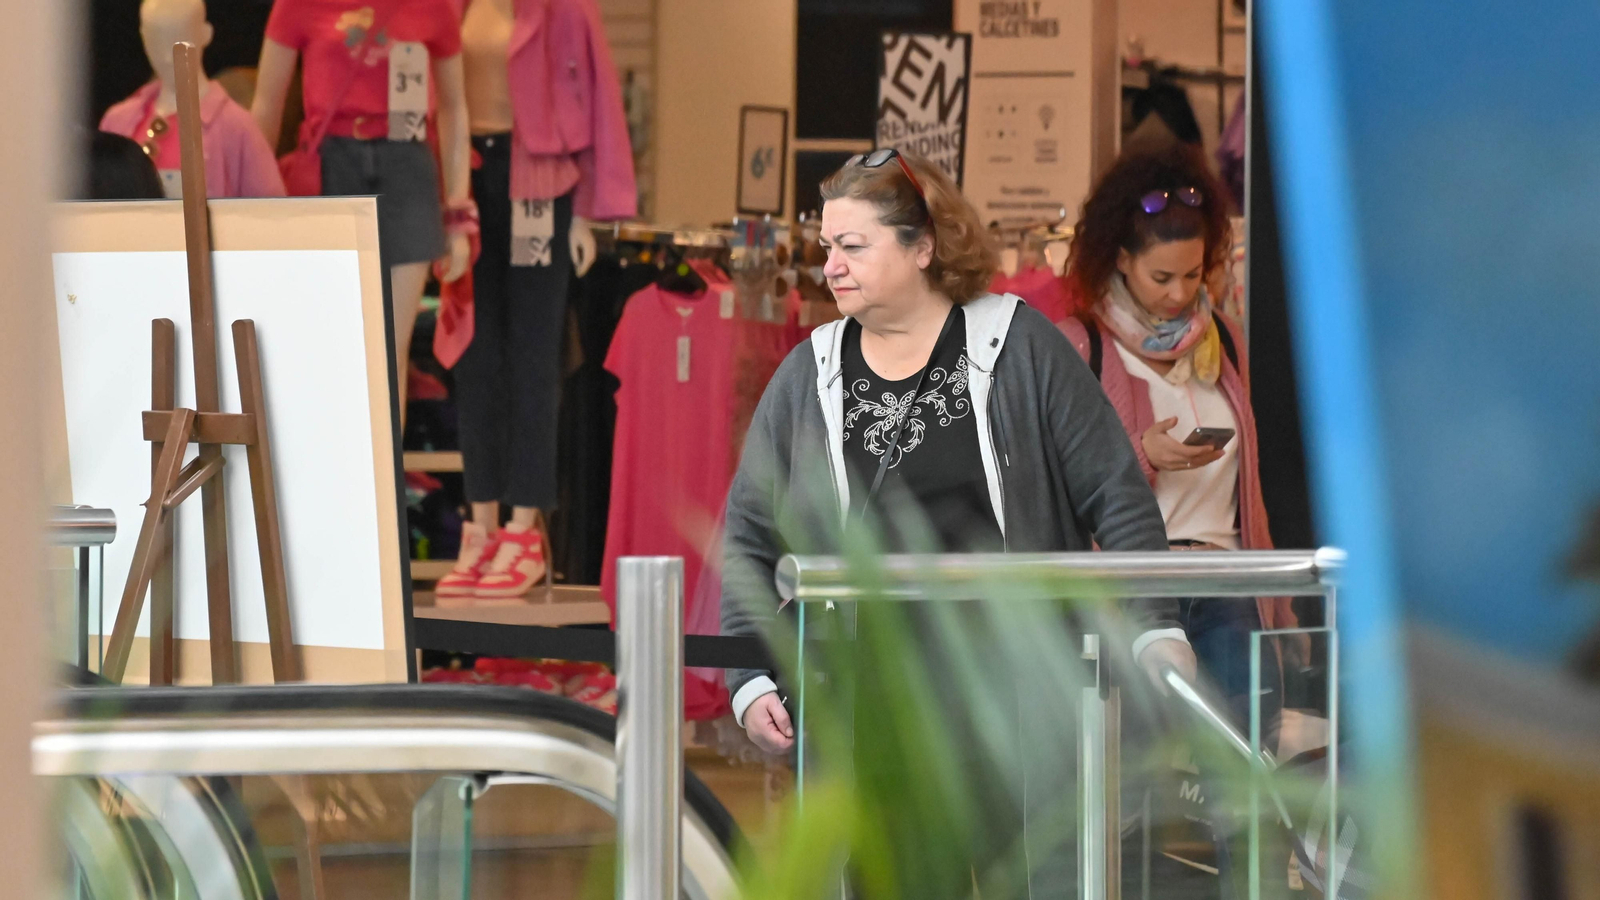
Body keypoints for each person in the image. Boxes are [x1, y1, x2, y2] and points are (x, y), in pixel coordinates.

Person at [718, 148, 1197, 894]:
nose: (830, 267)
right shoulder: (809, 374)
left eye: (852, 246)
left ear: (922, 247)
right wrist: (748, 677)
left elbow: (1116, 491)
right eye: (826, 249)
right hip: (877, 714)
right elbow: (747, 535)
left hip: (1018, 702)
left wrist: (1157, 626)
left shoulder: (1017, 344)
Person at [1057, 144, 1300, 896]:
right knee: (1118, 786)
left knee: (1244, 777)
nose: (1178, 294)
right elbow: (1068, 480)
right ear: (1119, 260)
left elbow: (1249, 483)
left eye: (1194, 275)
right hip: (1132, 591)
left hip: (1225, 581)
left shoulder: (1219, 341)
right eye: (1162, 277)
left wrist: (1277, 599)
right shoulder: (1083, 346)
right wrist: (1146, 452)